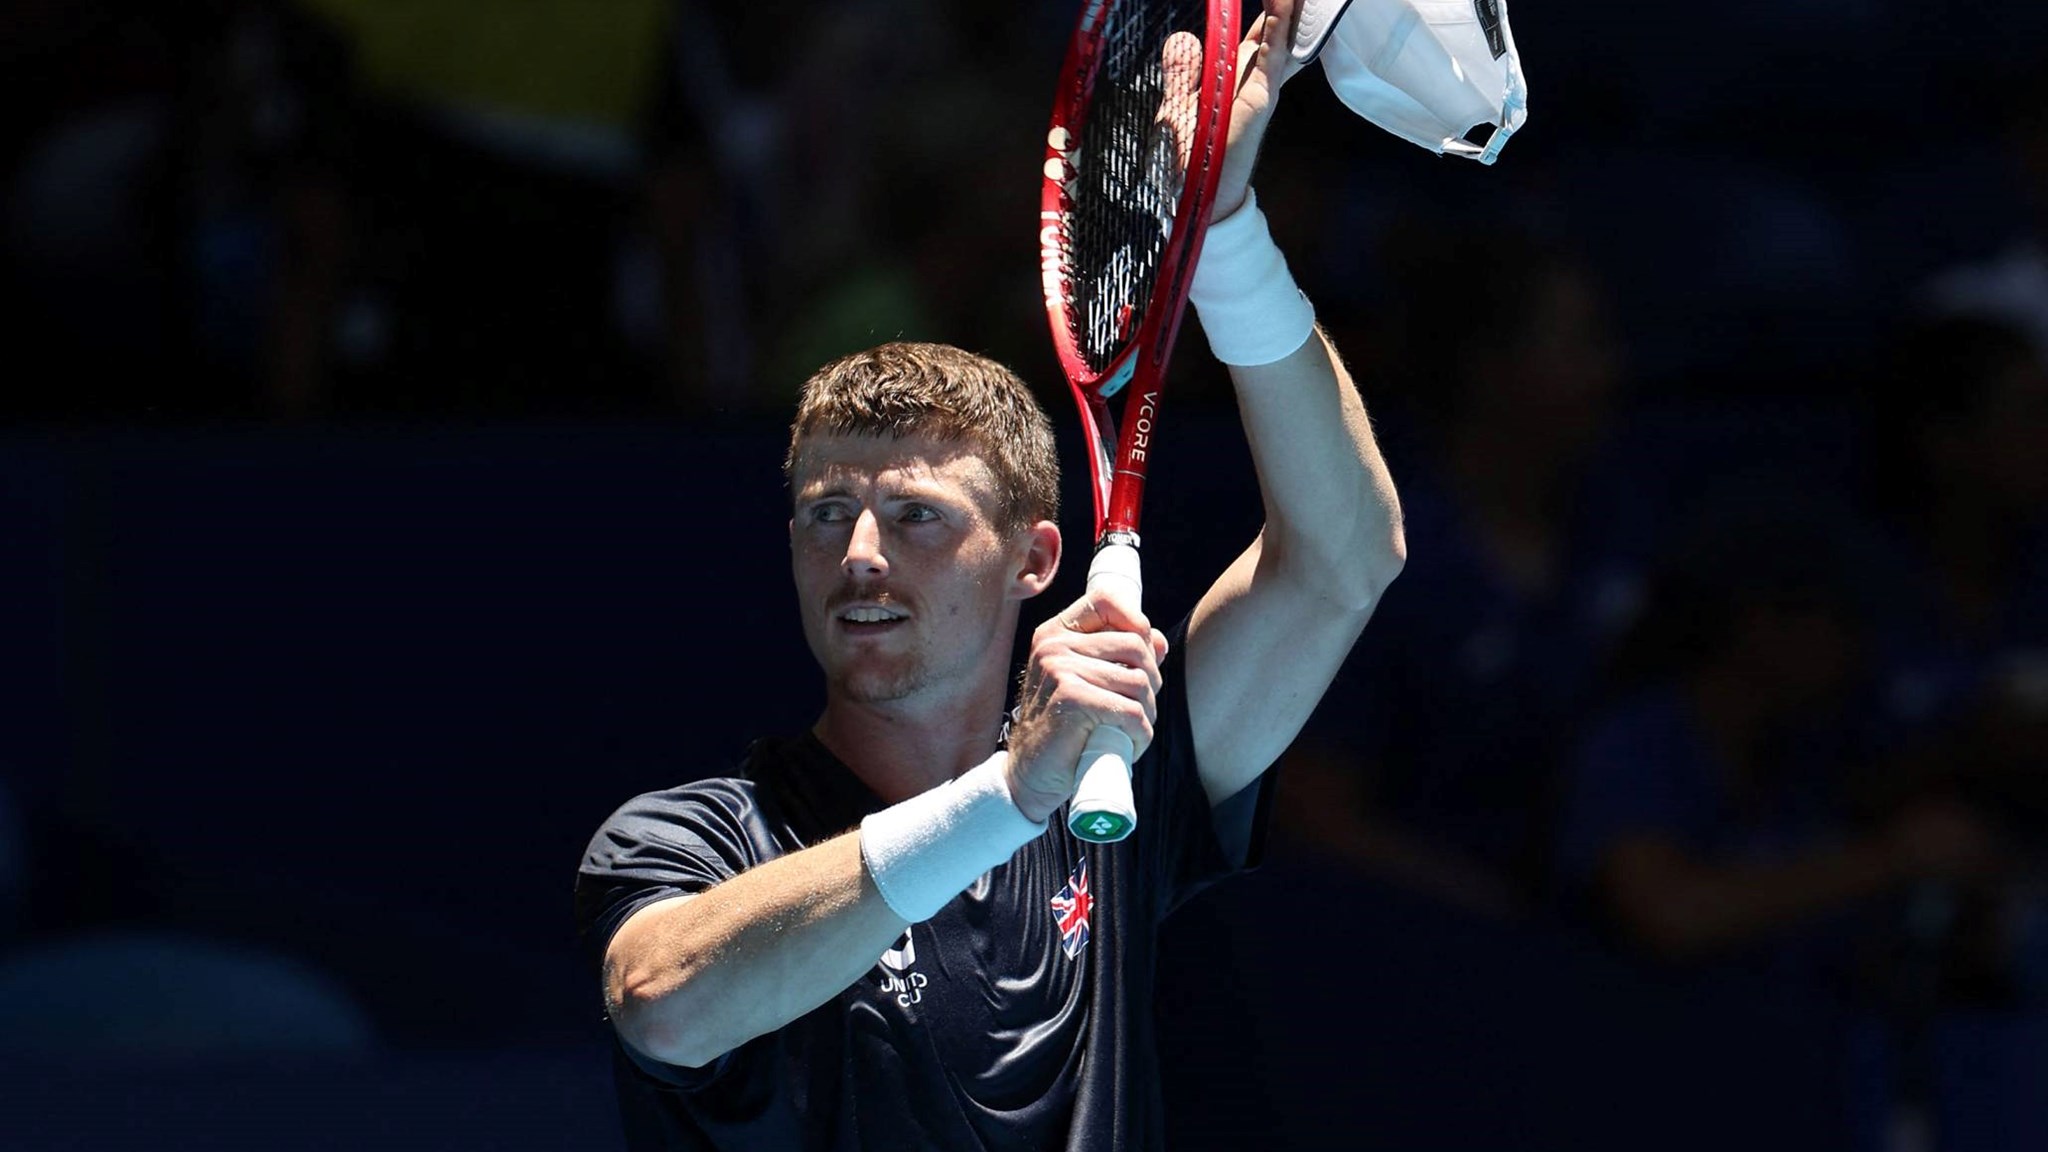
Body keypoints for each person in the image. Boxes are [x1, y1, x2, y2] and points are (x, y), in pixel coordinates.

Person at [573, 4, 1407, 1148]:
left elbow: (1342, 558)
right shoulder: (691, 839)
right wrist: (1010, 796)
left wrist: (1224, 239)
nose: (859, 553)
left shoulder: (1115, 790)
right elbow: (664, 1004)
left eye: (915, 515)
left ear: (1034, 559)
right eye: (826, 515)